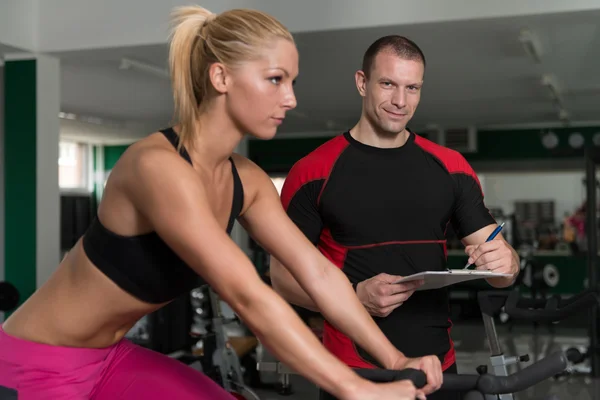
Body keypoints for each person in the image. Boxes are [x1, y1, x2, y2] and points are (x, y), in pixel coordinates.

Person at [0, 7, 443, 400]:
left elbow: (320, 274)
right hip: (37, 362)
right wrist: (352, 387)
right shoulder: (156, 167)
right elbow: (249, 297)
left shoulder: (246, 181)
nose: (290, 98)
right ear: (221, 77)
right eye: (275, 79)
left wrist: (394, 359)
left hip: (111, 357)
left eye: (291, 81)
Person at [269, 35, 521, 400]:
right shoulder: (313, 172)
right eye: (388, 84)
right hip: (353, 370)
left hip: (436, 367)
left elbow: (500, 272)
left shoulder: (451, 167)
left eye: (412, 88)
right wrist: (355, 296)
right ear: (362, 82)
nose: (400, 101)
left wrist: (508, 261)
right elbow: (281, 278)